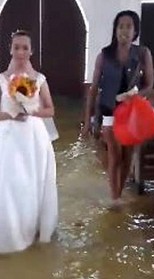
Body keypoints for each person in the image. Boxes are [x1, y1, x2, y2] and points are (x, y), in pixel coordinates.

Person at [82, 10, 154, 207]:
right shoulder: (104, 55)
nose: (124, 30)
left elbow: (150, 84)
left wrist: (135, 95)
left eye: (128, 26)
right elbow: (94, 89)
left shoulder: (142, 53)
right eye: (120, 26)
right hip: (108, 109)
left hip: (131, 112)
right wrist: (88, 120)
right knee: (114, 155)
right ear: (115, 30)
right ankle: (114, 197)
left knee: (127, 155)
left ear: (135, 31)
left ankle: (118, 193)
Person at [0, 30, 58, 253]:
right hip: (7, 137)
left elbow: (50, 110)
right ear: (10, 49)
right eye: (17, 47)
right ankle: (9, 230)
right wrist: (11, 113)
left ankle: (31, 226)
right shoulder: (2, 79)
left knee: (32, 184)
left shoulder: (39, 80)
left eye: (25, 47)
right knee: (9, 183)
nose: (21, 52)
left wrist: (30, 111)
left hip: (34, 139)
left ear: (31, 51)